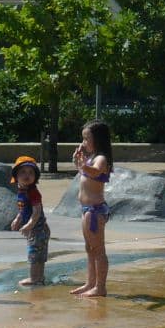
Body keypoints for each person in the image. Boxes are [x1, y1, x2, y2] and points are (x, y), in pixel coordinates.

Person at [70, 120, 113, 297]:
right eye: (83, 139)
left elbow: (94, 172)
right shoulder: (90, 158)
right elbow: (85, 173)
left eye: (87, 139)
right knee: (89, 248)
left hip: (95, 211)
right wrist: (77, 161)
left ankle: (100, 287)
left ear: (98, 139)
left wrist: (82, 164)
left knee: (98, 249)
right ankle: (90, 283)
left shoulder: (101, 159)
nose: (83, 143)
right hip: (86, 209)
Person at [10, 156, 51, 286]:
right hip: (35, 229)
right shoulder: (22, 190)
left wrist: (29, 225)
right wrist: (18, 219)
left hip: (38, 229)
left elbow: (37, 211)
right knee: (37, 255)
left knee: (35, 255)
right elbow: (23, 209)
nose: (27, 175)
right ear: (16, 175)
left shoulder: (33, 192)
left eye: (30, 172)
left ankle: (35, 278)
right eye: (23, 172)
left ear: (35, 177)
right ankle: (39, 278)